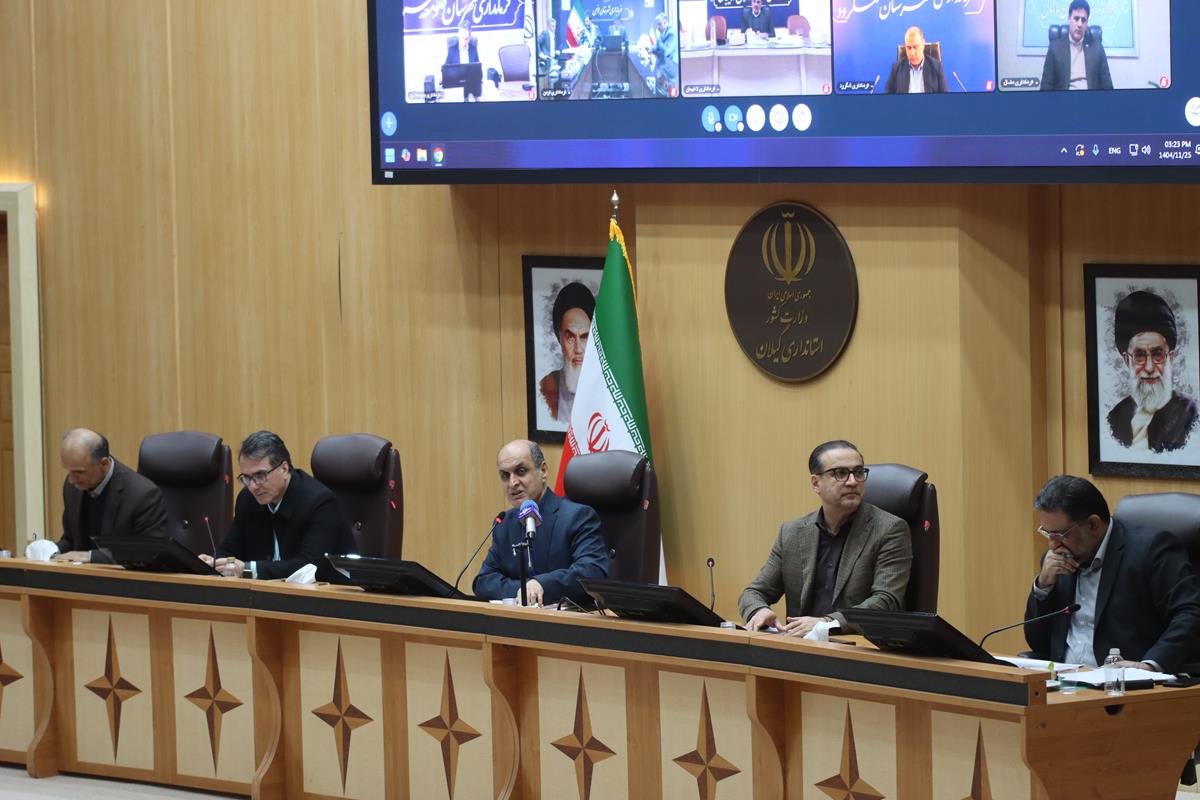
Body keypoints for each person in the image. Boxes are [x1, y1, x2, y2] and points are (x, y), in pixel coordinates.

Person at [1024, 475, 1200, 673]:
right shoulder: (1057, 562)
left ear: (1093, 524)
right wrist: (1043, 586)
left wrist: (1149, 665)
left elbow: (1189, 614)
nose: (1052, 545)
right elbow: (1037, 643)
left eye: (1060, 535)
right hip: (1064, 681)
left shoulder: (1151, 551)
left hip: (1120, 683)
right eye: (1048, 534)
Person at [738, 440, 911, 635]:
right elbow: (753, 592)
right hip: (799, 646)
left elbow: (886, 601)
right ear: (816, 483)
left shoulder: (889, 529)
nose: (853, 481)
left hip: (854, 645)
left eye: (858, 472)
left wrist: (826, 623)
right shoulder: (792, 532)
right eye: (841, 473)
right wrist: (759, 610)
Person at [204, 430, 356, 579]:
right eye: (247, 478)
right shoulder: (247, 499)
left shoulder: (319, 502)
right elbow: (231, 549)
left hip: (326, 590)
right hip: (269, 589)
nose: (253, 486)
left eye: (260, 475)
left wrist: (249, 569)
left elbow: (310, 566)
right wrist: (213, 562)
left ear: (284, 469)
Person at [473, 439, 608, 605]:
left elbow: (592, 572)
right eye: (505, 476)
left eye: (521, 471)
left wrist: (541, 584)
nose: (513, 483)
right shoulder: (504, 523)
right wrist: (525, 589)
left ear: (543, 471)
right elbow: (483, 582)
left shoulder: (577, 517)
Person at [54, 428, 168, 563]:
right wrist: (53, 549)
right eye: (69, 471)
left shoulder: (143, 494)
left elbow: (149, 553)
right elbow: (71, 540)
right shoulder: (73, 487)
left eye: (79, 472)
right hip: (80, 573)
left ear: (104, 464)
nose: (71, 480)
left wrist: (91, 556)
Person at [1106, 290, 1197, 452]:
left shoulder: (1191, 416)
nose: (1149, 368)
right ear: (1127, 360)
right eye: (1140, 355)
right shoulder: (1115, 418)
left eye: (1157, 355)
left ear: (1170, 358)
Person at [540, 282, 595, 423]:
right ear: (559, 337)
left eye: (584, 337)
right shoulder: (546, 387)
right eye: (570, 337)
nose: (578, 349)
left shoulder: (605, 390)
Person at [1039, 0, 1112, 91]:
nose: (1079, 24)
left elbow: (1107, 85)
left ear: (1087, 23)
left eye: (1083, 20)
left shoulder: (1097, 48)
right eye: (1076, 19)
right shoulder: (1055, 49)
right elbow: (1046, 86)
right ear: (1069, 19)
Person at [884, 26, 947, 94]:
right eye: (909, 48)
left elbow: (944, 97)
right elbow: (887, 96)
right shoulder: (896, 68)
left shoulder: (936, 67)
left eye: (915, 47)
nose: (912, 53)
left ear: (923, 44)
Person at [651, 12, 678, 96]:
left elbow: (666, 51)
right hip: (664, 66)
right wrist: (651, 49)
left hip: (671, 68)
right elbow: (657, 47)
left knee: (670, 93)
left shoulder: (671, 33)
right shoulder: (663, 32)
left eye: (659, 24)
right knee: (660, 90)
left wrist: (659, 41)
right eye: (657, 25)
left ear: (665, 23)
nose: (658, 27)